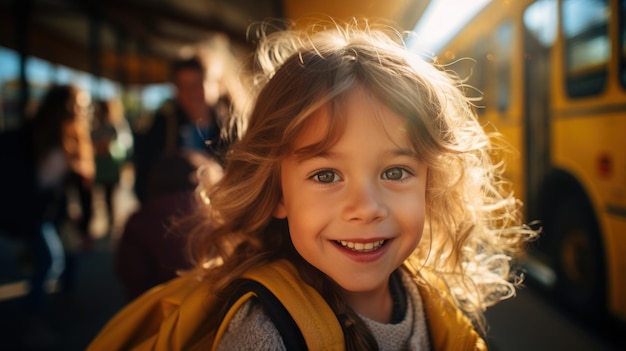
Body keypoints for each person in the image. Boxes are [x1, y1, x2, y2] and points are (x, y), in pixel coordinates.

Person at [89, 20, 538, 350]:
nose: (366, 208)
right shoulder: (264, 336)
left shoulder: (425, 300)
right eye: (326, 175)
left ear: (431, 182)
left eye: (396, 172)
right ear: (278, 193)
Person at [0, 84, 95, 348]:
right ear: (62, 106)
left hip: (53, 212)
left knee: (70, 252)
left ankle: (65, 301)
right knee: (49, 261)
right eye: (79, 105)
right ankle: (32, 324)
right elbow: (23, 182)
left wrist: (81, 220)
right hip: (31, 213)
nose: (83, 111)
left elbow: (72, 185)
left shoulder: (74, 137)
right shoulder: (29, 135)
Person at [132, 42, 247, 203]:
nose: (191, 93)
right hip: (174, 216)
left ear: (217, 84)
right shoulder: (162, 126)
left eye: (197, 84)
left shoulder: (235, 127)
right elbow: (144, 179)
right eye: (183, 86)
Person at [115, 151, 221, 300]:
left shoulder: (139, 221)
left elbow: (130, 272)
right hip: (210, 306)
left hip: (157, 308)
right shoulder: (217, 217)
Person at [91, 97, 133, 233]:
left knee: (111, 194)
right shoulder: (96, 125)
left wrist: (110, 145)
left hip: (111, 166)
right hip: (102, 166)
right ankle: (109, 220)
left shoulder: (117, 125)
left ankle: (112, 221)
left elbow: (125, 144)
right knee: (103, 194)